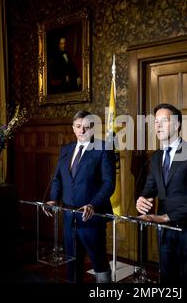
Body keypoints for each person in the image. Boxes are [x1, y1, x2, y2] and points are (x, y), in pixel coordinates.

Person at [136, 103, 187, 283]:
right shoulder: (155, 157)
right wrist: (142, 199)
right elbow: (150, 187)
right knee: (168, 278)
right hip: (165, 231)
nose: (158, 126)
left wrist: (166, 217)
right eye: (156, 122)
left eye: (164, 121)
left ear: (177, 125)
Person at [46, 110, 115, 283]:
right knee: (72, 262)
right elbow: (57, 179)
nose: (82, 131)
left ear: (92, 128)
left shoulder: (103, 149)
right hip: (69, 217)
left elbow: (109, 184)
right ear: (73, 128)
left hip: (92, 217)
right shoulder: (66, 149)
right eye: (78, 126)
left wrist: (93, 204)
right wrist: (54, 199)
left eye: (86, 127)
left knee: (99, 261)